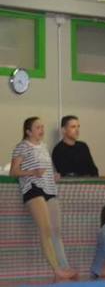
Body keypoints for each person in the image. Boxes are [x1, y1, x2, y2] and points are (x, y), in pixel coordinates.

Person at [10, 117, 78, 280]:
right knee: (45, 230)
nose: (41, 130)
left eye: (42, 127)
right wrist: (32, 172)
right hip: (33, 189)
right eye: (38, 127)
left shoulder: (44, 146)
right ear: (28, 131)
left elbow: (47, 168)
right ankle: (56, 269)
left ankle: (64, 266)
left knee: (56, 231)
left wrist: (53, 175)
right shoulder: (21, 147)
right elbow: (14, 171)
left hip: (49, 189)